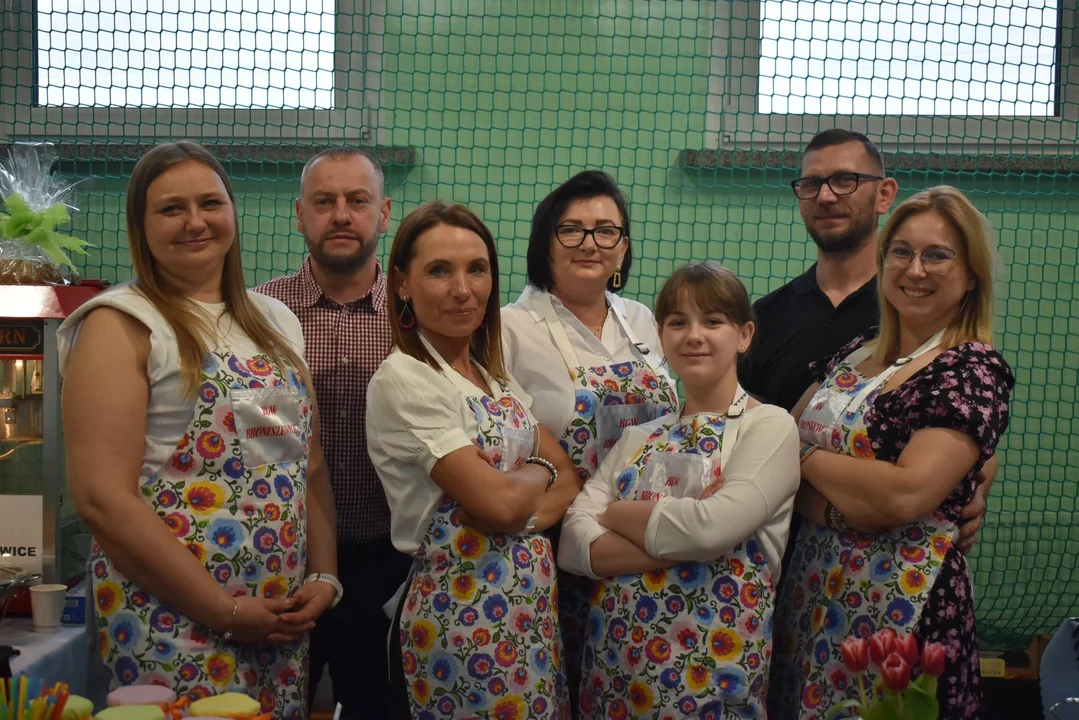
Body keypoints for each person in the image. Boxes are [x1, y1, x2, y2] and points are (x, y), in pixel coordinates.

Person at [59, 141, 338, 716]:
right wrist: (223, 610)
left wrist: (325, 575)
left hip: (277, 624)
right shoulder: (120, 323)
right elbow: (101, 498)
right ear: (140, 226)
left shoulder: (275, 321)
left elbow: (304, 466)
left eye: (210, 203)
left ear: (232, 211)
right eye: (171, 208)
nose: (195, 222)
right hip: (170, 625)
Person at [770, 186, 1014, 719]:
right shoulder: (857, 352)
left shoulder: (969, 370)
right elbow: (774, 452)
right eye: (901, 251)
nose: (915, 269)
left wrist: (803, 458)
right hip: (812, 598)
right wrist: (840, 507)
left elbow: (904, 495)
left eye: (938, 255)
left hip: (903, 609)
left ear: (972, 273)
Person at [558, 261, 800, 718]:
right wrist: (689, 536)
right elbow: (573, 544)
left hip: (713, 675)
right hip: (614, 671)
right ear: (661, 336)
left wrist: (615, 514)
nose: (694, 335)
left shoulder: (769, 427)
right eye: (677, 322)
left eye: (713, 321)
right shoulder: (638, 437)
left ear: (744, 335)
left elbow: (709, 530)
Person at [367, 201, 580, 718]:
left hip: (530, 616)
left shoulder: (493, 378)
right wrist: (537, 473)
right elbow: (502, 500)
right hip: (461, 620)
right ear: (402, 284)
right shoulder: (406, 378)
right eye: (440, 271)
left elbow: (567, 480)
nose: (463, 289)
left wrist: (519, 502)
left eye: (477, 269)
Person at [740, 129, 992, 555]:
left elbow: (966, 428)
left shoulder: (922, 310)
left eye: (845, 180)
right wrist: (825, 507)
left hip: (894, 570)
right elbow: (744, 434)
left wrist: (972, 484)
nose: (826, 196)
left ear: (884, 193)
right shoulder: (766, 317)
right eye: (811, 183)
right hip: (778, 560)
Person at [501, 171, 679, 709]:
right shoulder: (509, 328)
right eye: (571, 229)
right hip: (554, 547)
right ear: (545, 243)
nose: (589, 243)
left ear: (622, 248)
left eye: (606, 231)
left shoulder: (642, 321)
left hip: (639, 545)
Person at [254, 146, 410, 719]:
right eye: (324, 202)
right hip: (282, 563)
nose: (341, 214)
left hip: (388, 563)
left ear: (384, 213)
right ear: (300, 215)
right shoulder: (256, 313)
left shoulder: (415, 314)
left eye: (358, 200)